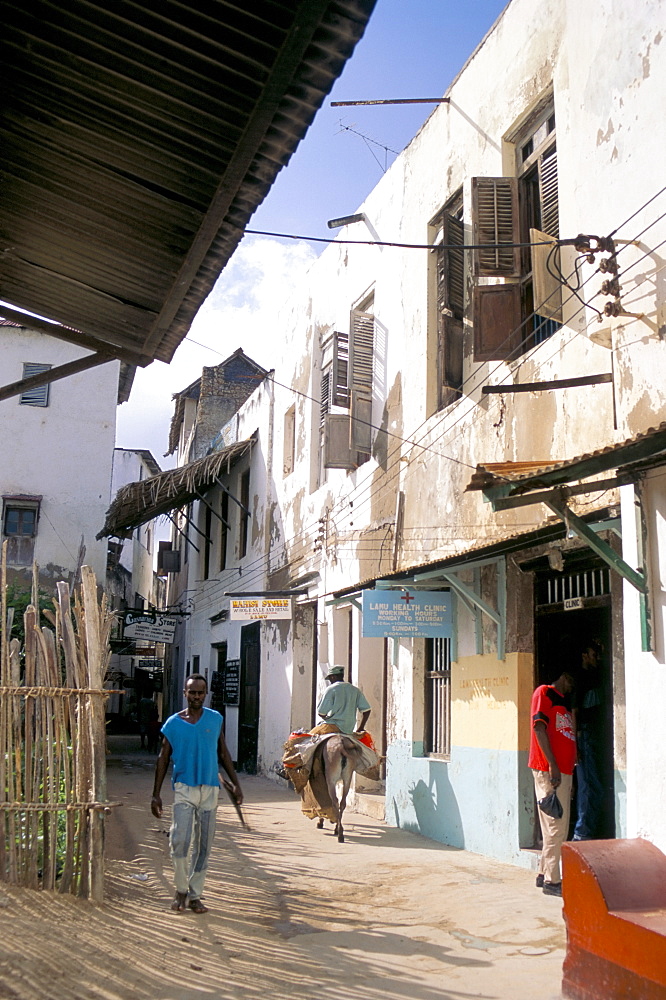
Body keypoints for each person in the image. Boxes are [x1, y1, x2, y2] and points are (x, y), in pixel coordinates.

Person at [151, 673, 243, 914]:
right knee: (179, 841)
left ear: (206, 694)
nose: (196, 696)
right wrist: (156, 794)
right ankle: (180, 889)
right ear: (185, 693)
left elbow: (223, 753)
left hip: (209, 790)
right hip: (184, 789)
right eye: (192, 692)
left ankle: (195, 895)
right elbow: (163, 758)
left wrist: (235, 784)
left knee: (204, 846)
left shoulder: (215, 719)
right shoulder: (173, 723)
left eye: (200, 692)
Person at [528, 668, 577, 897]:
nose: (572, 687)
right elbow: (539, 728)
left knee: (556, 825)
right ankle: (552, 881)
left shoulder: (565, 702)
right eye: (571, 682)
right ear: (564, 676)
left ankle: (542, 873)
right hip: (549, 771)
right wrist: (553, 765)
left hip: (563, 772)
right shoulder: (544, 693)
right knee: (555, 827)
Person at [573, 641, 605, 841]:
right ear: (584, 655)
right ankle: (581, 832)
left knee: (596, 787)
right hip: (584, 736)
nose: (596, 658)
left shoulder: (596, 675)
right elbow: (574, 712)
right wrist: (575, 743)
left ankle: (588, 829)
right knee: (586, 786)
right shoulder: (579, 679)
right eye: (593, 654)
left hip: (595, 735)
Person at [316, 665, 371, 734]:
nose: (330, 680)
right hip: (349, 729)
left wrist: (325, 717)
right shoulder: (355, 690)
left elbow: (321, 712)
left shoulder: (331, 689)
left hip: (332, 725)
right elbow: (367, 710)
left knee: (307, 738)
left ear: (333, 676)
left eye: (330, 678)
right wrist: (361, 727)